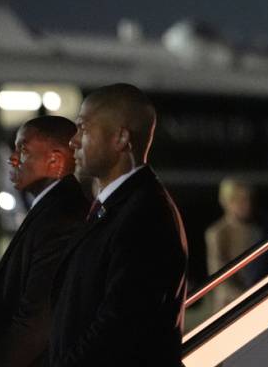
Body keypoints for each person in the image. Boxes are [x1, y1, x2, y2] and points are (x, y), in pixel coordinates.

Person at [49, 83, 188, 366]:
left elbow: (117, 327)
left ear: (121, 138)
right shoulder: (123, 205)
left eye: (83, 129)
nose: (73, 141)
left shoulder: (144, 216)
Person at [0, 116, 89, 367]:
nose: (12, 158)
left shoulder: (61, 218)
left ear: (55, 160)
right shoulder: (51, 209)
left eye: (23, 150)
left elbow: (37, 319)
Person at [205, 178, 263, 310]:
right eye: (240, 200)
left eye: (248, 199)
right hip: (229, 305)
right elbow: (218, 277)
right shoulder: (218, 233)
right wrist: (244, 298)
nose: (246, 204)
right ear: (227, 202)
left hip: (255, 298)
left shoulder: (257, 230)